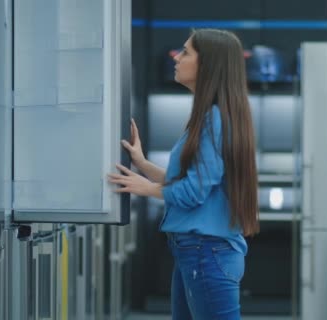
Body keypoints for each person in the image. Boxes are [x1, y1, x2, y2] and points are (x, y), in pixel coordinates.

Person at [107, 29, 259, 319]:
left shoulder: (214, 119)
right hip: (197, 252)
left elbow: (192, 193)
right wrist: (142, 164)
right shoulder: (210, 117)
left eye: (186, 52)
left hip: (206, 253)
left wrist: (146, 188)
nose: (177, 57)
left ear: (208, 65)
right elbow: (189, 181)